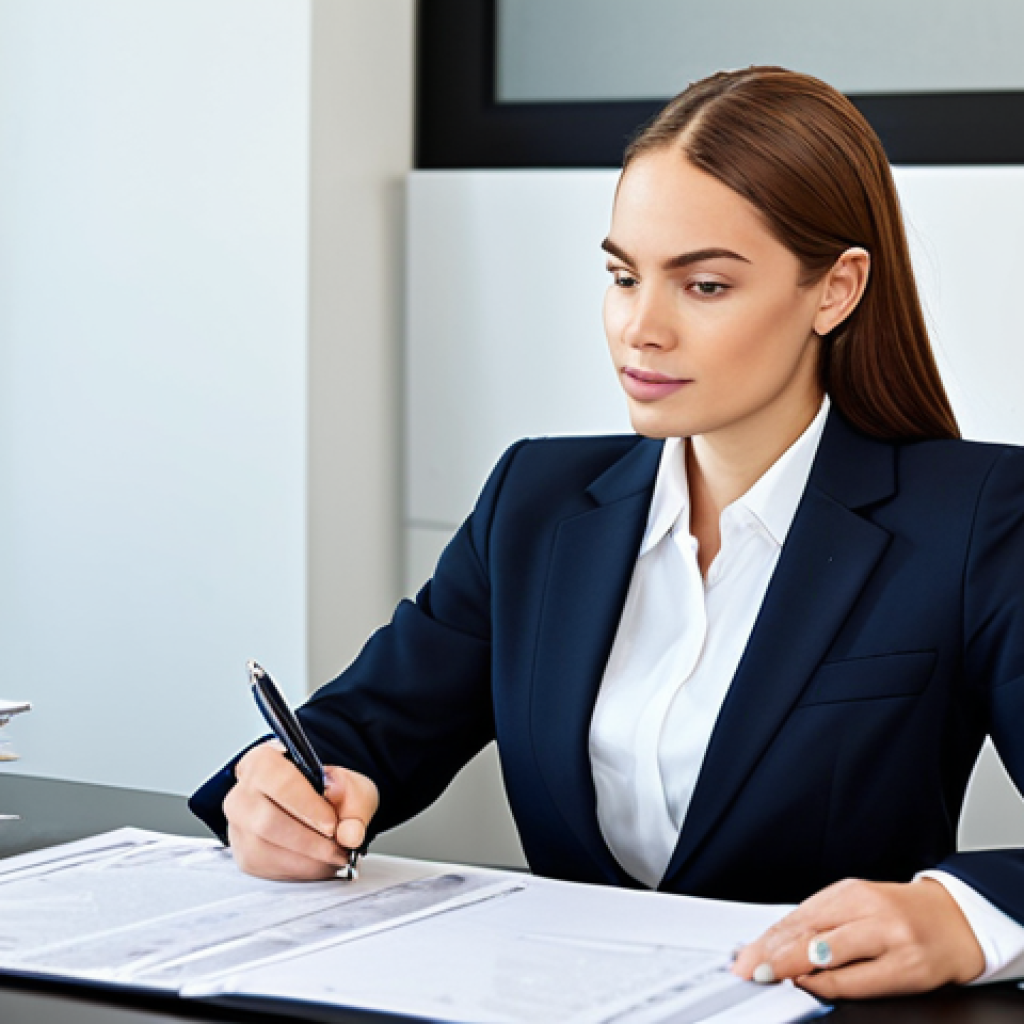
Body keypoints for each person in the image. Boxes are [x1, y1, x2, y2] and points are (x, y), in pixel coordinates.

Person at [190, 66, 1024, 999]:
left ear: (834, 290)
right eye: (624, 276)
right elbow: (361, 732)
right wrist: (283, 795)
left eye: (703, 285)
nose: (640, 329)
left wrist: (964, 917)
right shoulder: (537, 499)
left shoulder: (977, 515)